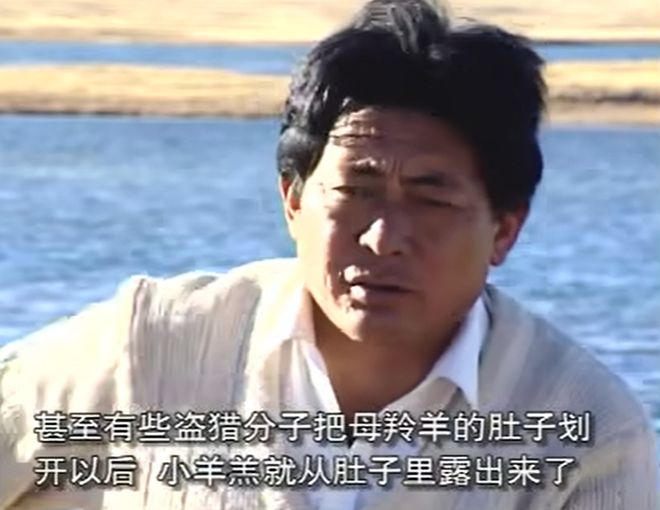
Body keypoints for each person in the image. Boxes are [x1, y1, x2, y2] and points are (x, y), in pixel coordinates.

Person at [0, 0, 657, 509]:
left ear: (505, 230)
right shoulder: (151, 344)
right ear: (293, 200)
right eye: (355, 191)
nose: (383, 237)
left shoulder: (587, 432)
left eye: (432, 199)